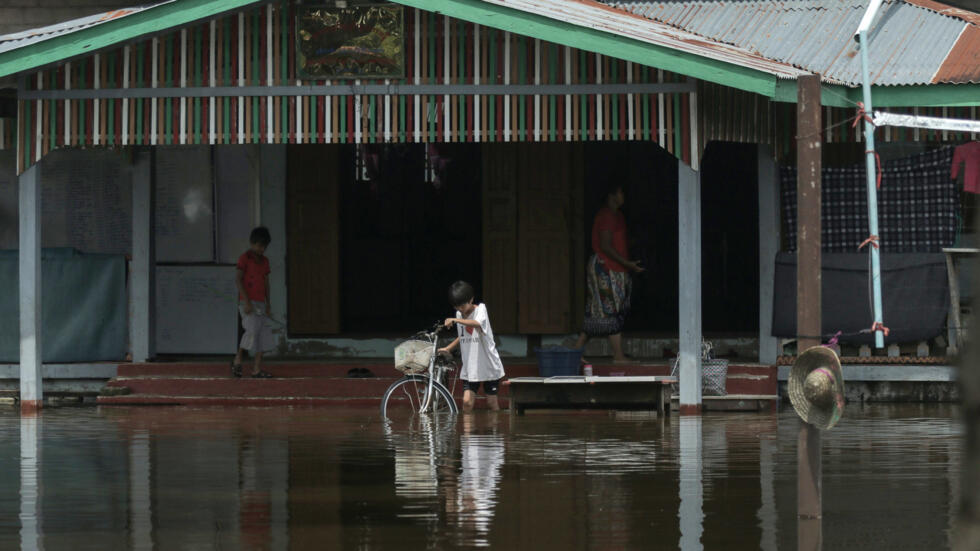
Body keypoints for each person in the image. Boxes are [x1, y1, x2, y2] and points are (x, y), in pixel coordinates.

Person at [574, 182, 645, 363]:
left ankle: (575, 352)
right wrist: (627, 263)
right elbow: (605, 246)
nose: (624, 196)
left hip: (615, 269)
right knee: (610, 311)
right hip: (605, 268)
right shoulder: (606, 216)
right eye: (621, 192)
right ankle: (618, 355)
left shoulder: (617, 216)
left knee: (600, 312)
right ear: (611, 194)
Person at [438, 281, 506, 412]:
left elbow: (476, 323)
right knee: (467, 402)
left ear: (471, 299)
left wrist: (455, 320)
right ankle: (468, 432)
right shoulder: (459, 314)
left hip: (488, 364)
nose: (460, 309)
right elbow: (463, 335)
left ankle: (495, 431)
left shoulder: (481, 309)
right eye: (457, 306)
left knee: (492, 403)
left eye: (462, 305)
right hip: (471, 366)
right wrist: (448, 348)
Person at [232, 227, 274, 378]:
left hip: (261, 303)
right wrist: (247, 302)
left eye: (264, 246)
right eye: (259, 245)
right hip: (247, 303)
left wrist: (268, 304)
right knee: (251, 330)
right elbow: (238, 279)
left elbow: (266, 283)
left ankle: (256, 369)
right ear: (252, 243)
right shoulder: (245, 258)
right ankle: (238, 359)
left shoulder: (265, 261)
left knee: (263, 333)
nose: (261, 249)